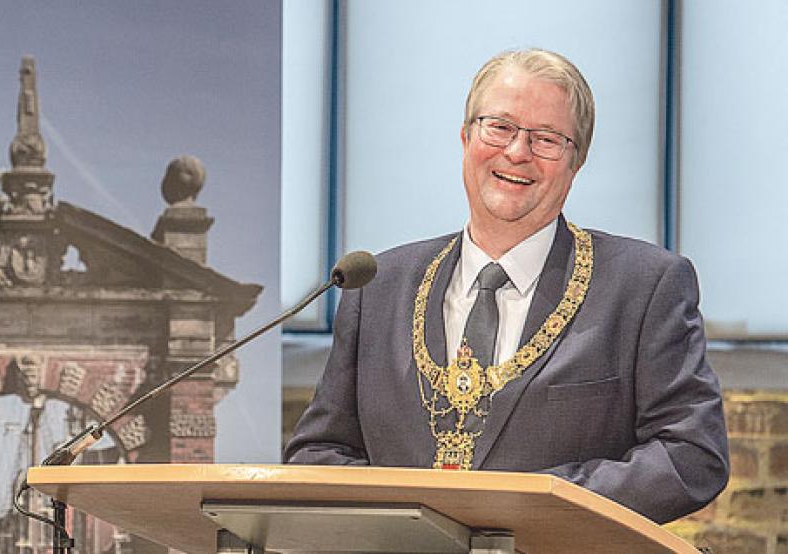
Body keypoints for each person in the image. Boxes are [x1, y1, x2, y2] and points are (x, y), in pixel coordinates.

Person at [284, 48, 729, 524]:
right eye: (500, 127)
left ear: (575, 162)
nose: (517, 152)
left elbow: (691, 455)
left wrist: (537, 504)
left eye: (546, 139)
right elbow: (319, 453)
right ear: (465, 137)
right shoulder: (376, 286)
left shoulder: (644, 286)